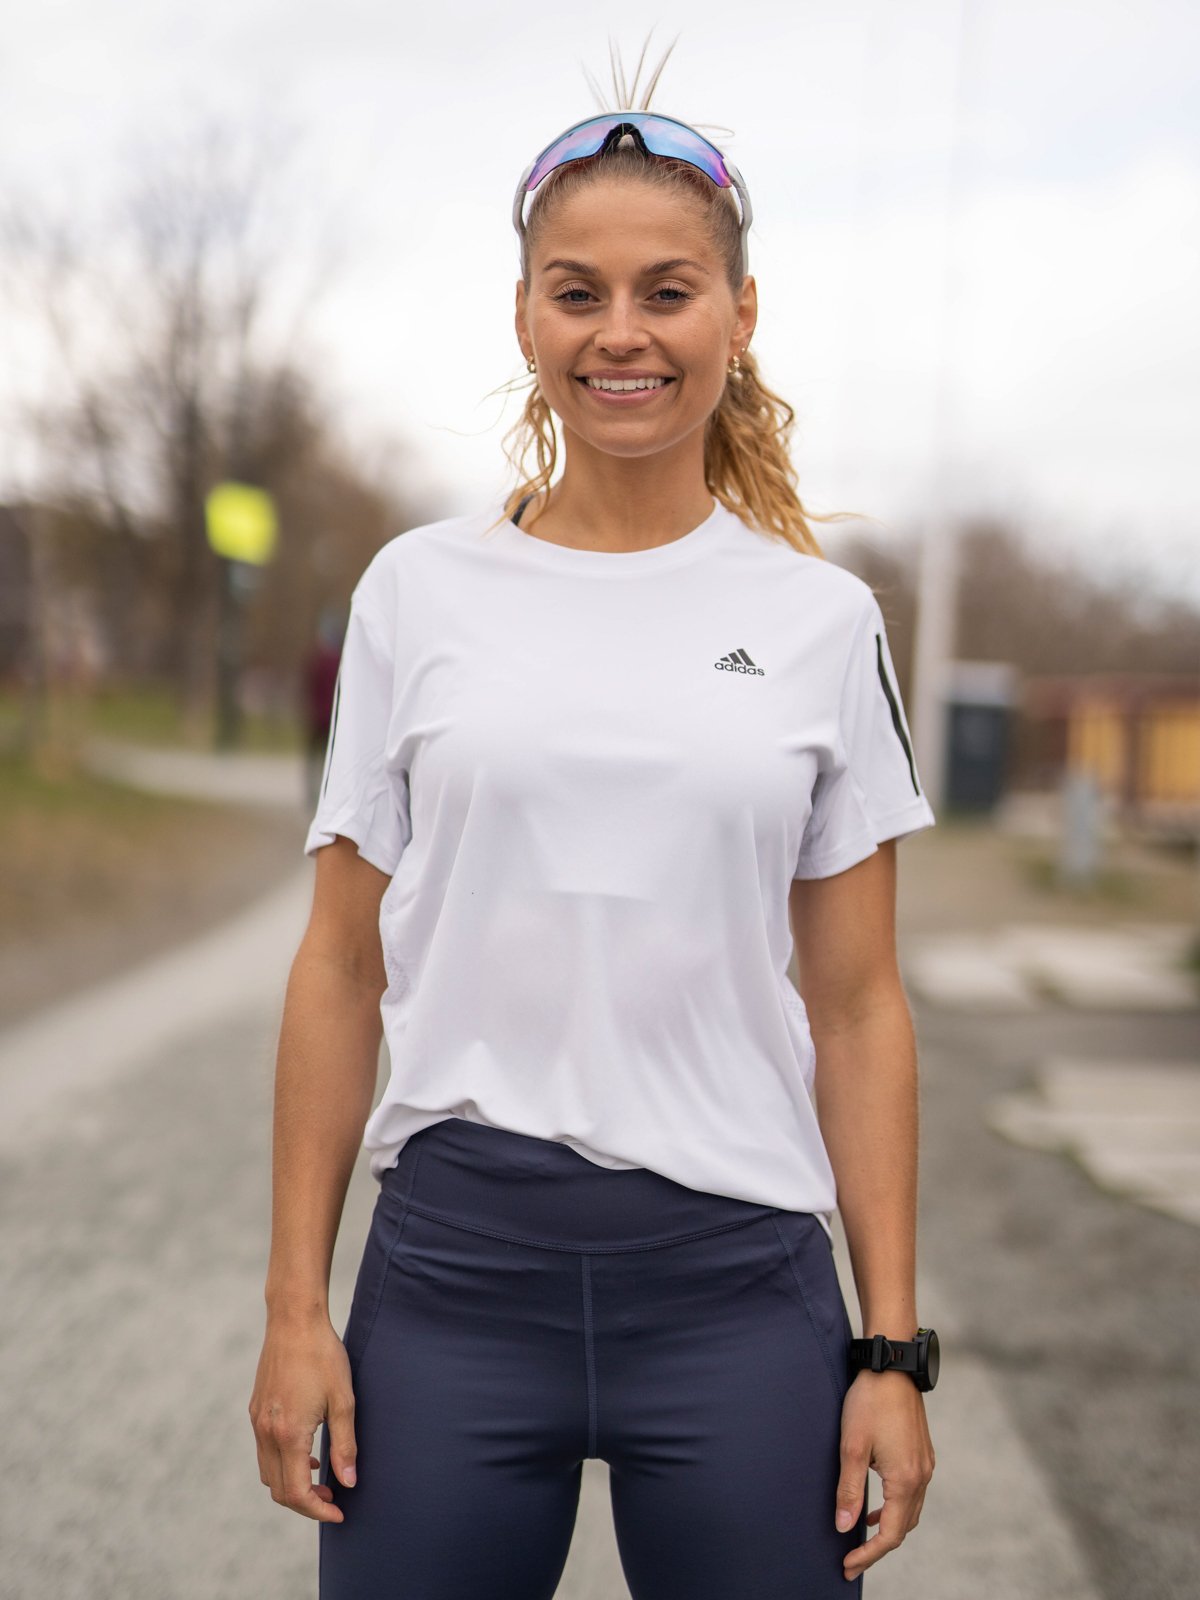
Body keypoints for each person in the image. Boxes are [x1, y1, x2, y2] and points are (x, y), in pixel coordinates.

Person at [250, 72, 939, 1600]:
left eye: (666, 291)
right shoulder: (414, 596)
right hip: (451, 1288)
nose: (620, 331)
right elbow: (338, 968)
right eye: (580, 293)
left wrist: (889, 1348)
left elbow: (857, 1004)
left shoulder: (823, 625)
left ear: (740, 316)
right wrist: (299, 1307)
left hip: (738, 1298)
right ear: (525, 321)